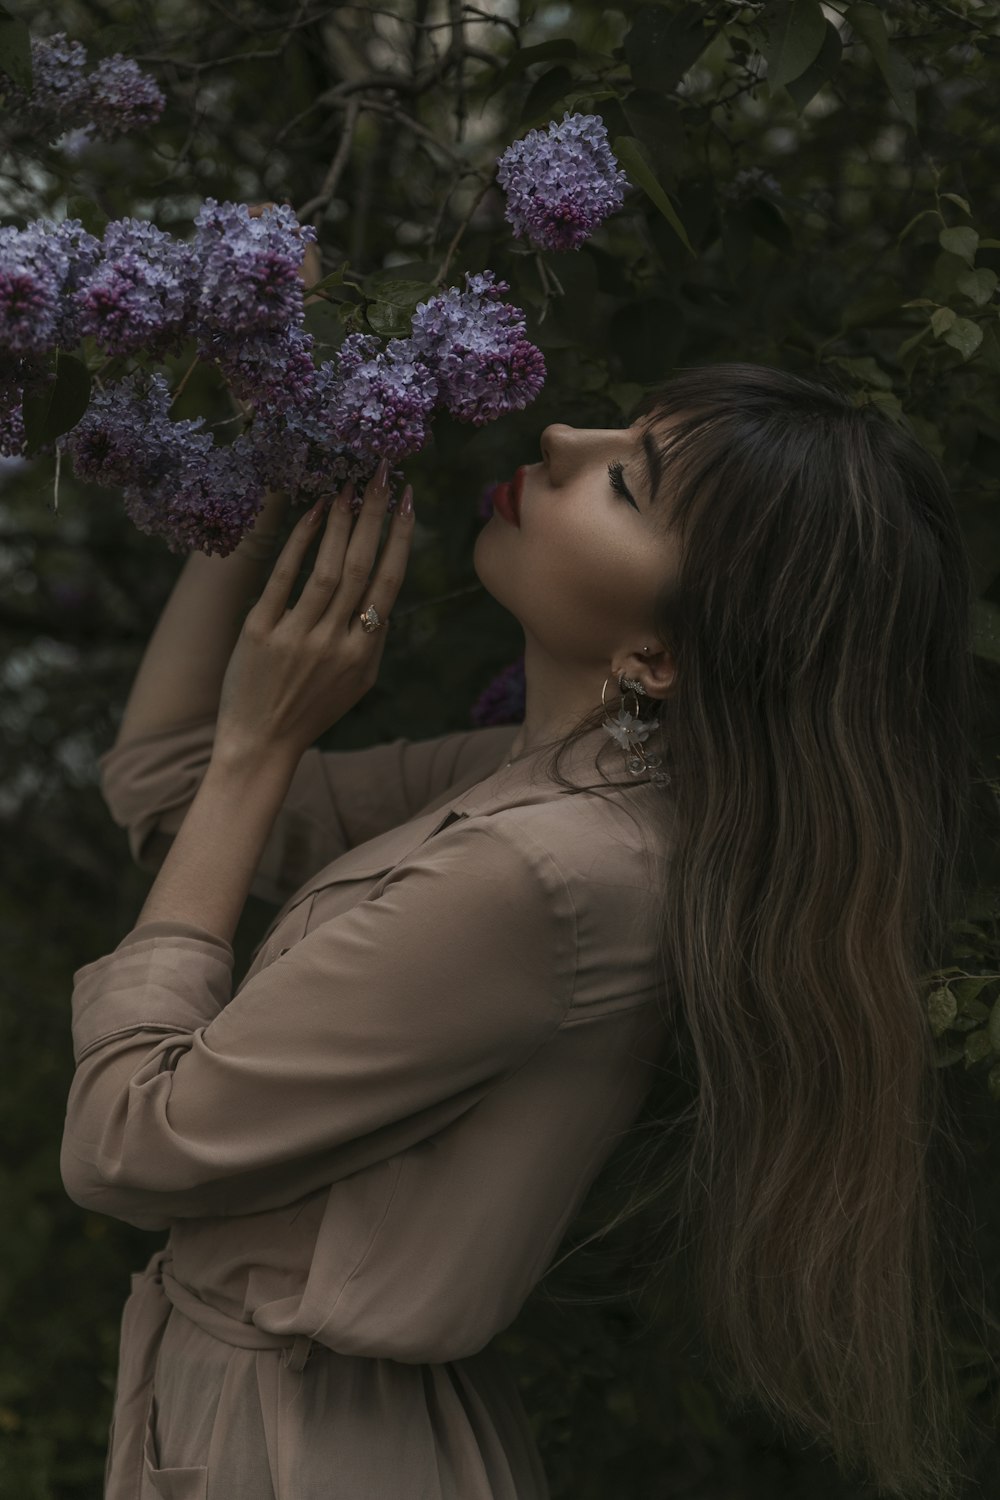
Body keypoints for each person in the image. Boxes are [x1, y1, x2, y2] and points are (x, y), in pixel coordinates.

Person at [60, 243, 996, 1497]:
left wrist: (263, 746)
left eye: (629, 483)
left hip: (301, 1454)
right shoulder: (546, 787)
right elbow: (174, 794)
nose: (562, 435)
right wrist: (264, 460)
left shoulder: (544, 875)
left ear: (659, 656)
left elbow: (128, 1145)